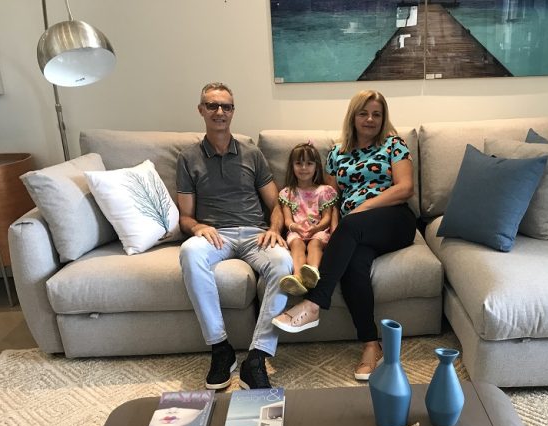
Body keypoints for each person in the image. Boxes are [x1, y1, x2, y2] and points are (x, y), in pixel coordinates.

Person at [272, 90, 416, 381]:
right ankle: (371, 345)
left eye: (376, 114)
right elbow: (331, 198)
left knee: (351, 225)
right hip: (355, 230)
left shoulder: (394, 145)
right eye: (364, 113)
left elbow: (405, 188)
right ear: (353, 116)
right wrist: (324, 227)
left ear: (383, 118)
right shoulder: (337, 153)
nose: (370, 119)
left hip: (394, 220)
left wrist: (362, 209)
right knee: (354, 265)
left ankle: (314, 303)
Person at [177, 82, 291, 391]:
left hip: (256, 234)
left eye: (226, 106)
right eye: (212, 106)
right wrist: (197, 227)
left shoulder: (252, 154)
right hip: (216, 235)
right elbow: (185, 216)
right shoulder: (188, 158)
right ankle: (220, 348)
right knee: (189, 252)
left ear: (232, 111)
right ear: (201, 110)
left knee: (283, 263)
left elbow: (276, 204)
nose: (219, 112)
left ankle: (257, 357)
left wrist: (274, 229)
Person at [277, 142, 338, 296]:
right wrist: (294, 227)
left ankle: (312, 273)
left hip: (318, 230)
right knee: (297, 244)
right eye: (298, 163)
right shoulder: (287, 193)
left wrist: (317, 228)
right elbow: (287, 220)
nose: (304, 168)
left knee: (315, 244)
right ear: (292, 166)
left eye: (309, 163)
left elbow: (327, 217)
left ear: (316, 166)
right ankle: (298, 277)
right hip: (296, 230)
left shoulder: (324, 191)